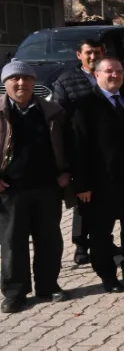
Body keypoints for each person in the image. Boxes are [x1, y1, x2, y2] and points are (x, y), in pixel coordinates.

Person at [71, 57, 124, 291]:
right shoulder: (84, 105)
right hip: (100, 183)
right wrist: (82, 184)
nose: (115, 75)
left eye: (119, 71)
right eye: (109, 71)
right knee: (101, 233)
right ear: (97, 75)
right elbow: (78, 147)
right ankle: (108, 276)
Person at [0, 62, 72, 313]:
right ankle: (15, 293)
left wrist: (66, 172)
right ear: (5, 83)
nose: (21, 83)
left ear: (34, 82)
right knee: (13, 243)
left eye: (27, 78)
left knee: (49, 240)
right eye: (15, 79)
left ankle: (48, 286)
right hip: (11, 190)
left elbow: (68, 143)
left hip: (47, 187)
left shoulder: (52, 111)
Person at [52, 38, 101, 266]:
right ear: (79, 55)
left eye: (97, 52)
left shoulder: (108, 74)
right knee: (83, 198)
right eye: (88, 52)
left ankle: (102, 240)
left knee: (103, 199)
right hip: (79, 148)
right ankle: (81, 245)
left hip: (103, 148)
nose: (93, 56)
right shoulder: (66, 81)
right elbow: (58, 117)